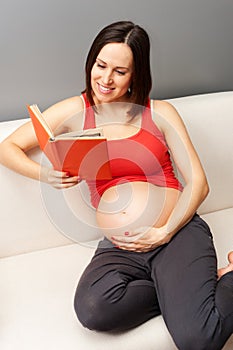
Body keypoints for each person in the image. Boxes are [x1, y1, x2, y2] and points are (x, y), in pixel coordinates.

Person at [0, 20, 233, 350]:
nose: (106, 79)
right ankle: (184, 293)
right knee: (93, 309)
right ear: (91, 62)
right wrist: (45, 174)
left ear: (135, 75)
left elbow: (199, 183)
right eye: (101, 65)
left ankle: (227, 278)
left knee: (199, 339)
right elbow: (6, 147)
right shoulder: (75, 111)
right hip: (120, 246)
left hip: (175, 232)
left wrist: (164, 231)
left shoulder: (160, 113)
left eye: (120, 71)